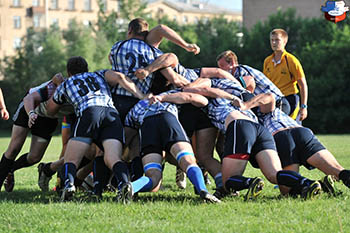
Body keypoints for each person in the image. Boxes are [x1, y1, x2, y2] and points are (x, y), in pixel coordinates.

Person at [204, 89, 321, 200]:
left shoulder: (212, 97)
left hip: (240, 125)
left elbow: (200, 91)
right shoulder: (240, 94)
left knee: (228, 182)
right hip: (261, 130)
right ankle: (307, 183)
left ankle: (251, 182)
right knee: (274, 174)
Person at [124, 89, 220, 203]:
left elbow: (128, 131)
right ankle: (203, 191)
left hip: (147, 126)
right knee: (188, 161)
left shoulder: (138, 106)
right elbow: (196, 99)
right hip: (167, 119)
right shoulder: (170, 94)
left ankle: (132, 187)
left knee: (153, 176)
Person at [258, 107, 350, 195]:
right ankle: (323, 185)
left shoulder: (253, 104)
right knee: (338, 170)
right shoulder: (275, 103)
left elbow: (268, 97)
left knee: (287, 191)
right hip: (302, 132)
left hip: (281, 136)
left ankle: (318, 185)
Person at [0, 73, 66, 192]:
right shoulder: (54, 88)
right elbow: (29, 98)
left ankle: (10, 169)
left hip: (48, 118)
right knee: (14, 148)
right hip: (30, 108)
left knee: (35, 157)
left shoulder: (80, 98)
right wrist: (31, 114)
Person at [216, 50, 290, 115]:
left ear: (232, 62)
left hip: (278, 103)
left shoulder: (241, 71)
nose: (221, 70)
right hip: (270, 103)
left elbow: (246, 83)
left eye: (222, 66)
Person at [263, 28, 308, 121]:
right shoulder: (267, 61)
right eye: (272, 40)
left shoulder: (291, 60)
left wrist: (304, 107)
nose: (274, 43)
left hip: (289, 99)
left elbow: (303, 85)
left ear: (284, 41)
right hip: (273, 99)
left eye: (277, 40)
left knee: (292, 129)